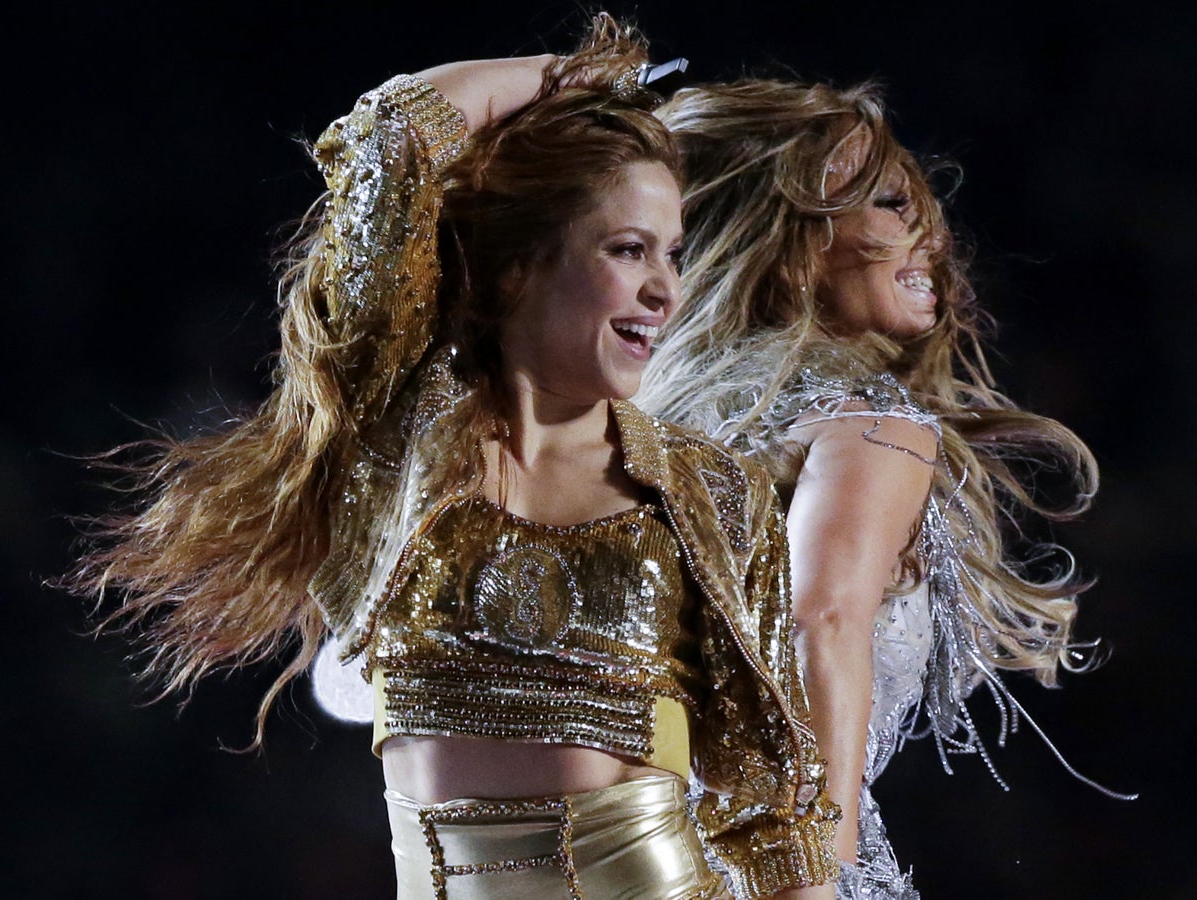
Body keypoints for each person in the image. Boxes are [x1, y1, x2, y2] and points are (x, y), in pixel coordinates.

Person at [65, 20, 841, 900]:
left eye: (672, 254)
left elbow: (778, 814)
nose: (666, 289)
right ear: (516, 269)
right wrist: (567, 75)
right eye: (628, 250)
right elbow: (390, 133)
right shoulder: (394, 445)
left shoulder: (708, 492)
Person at [637, 78, 1133, 899]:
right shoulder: (869, 426)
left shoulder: (632, 433)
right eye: (894, 205)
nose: (934, 239)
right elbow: (819, 621)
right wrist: (815, 877)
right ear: (788, 238)